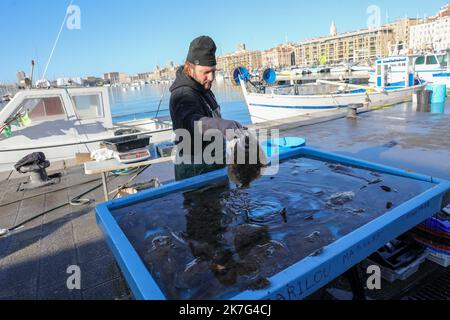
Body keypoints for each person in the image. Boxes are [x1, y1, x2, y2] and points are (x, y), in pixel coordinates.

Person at [169, 36, 243, 181]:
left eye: (213, 71)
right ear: (190, 68)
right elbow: (191, 121)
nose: (211, 77)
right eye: (206, 72)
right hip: (195, 174)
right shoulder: (182, 95)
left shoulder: (203, 87)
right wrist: (220, 124)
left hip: (215, 167)